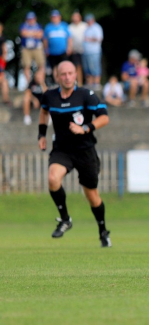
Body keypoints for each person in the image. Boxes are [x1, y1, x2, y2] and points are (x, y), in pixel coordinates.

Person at [37, 61, 111, 246]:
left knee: (92, 196)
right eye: (63, 74)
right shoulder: (50, 96)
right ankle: (65, 219)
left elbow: (104, 117)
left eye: (70, 73)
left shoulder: (86, 95)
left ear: (75, 74)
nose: (67, 77)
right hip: (62, 150)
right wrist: (41, 134)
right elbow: (44, 112)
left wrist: (85, 128)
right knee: (53, 179)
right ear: (57, 76)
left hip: (85, 151)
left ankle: (102, 230)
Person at [20, 12, 46, 125]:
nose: (30, 20)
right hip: (27, 48)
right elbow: (23, 33)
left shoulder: (38, 25)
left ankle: (48, 118)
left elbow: (40, 34)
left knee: (41, 64)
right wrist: (34, 33)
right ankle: (27, 117)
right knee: (26, 65)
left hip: (36, 47)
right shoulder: (23, 25)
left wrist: (30, 33)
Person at [43, 10, 73, 83]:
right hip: (52, 52)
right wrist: (46, 50)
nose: (55, 18)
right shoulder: (48, 27)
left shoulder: (64, 26)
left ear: (59, 17)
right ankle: (56, 81)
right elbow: (45, 40)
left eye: (56, 17)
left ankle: (64, 81)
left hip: (62, 51)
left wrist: (69, 48)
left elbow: (69, 38)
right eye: (53, 17)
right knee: (54, 67)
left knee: (64, 66)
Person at [82, 14, 103, 89]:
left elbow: (99, 38)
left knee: (95, 67)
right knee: (87, 68)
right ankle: (89, 84)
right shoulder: (86, 28)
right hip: (86, 52)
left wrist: (88, 39)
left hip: (94, 52)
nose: (88, 22)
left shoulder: (97, 28)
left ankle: (96, 83)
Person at [68, 11, 87, 86]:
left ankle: (88, 82)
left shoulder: (85, 25)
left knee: (86, 67)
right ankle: (79, 83)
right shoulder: (70, 27)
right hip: (75, 50)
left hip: (85, 50)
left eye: (77, 17)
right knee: (77, 66)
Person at [0, 23, 8, 105]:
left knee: (3, 80)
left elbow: (4, 49)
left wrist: (3, 59)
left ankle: (5, 99)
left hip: (0, 60)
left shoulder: (2, 38)